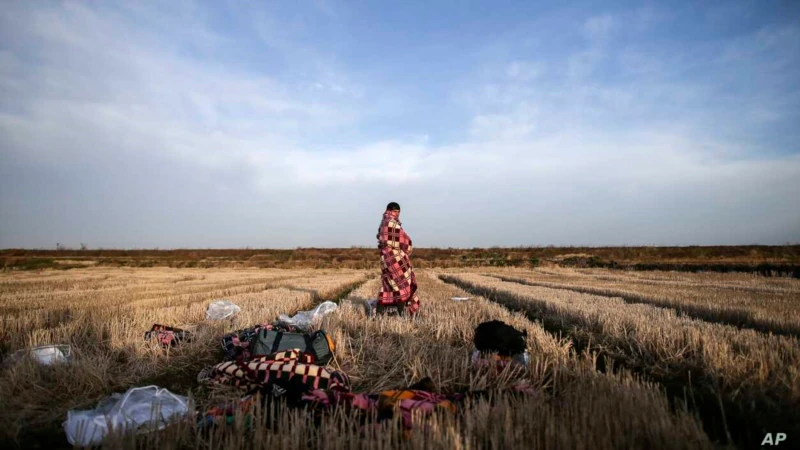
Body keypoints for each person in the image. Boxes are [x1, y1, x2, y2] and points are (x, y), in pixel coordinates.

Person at [376, 202, 420, 317]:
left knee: (389, 285)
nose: (397, 213)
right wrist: (408, 247)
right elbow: (404, 240)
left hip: (385, 258)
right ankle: (402, 314)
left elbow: (381, 238)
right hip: (394, 258)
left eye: (398, 212)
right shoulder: (392, 223)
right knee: (403, 284)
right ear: (389, 210)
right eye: (395, 211)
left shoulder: (383, 223)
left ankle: (379, 315)